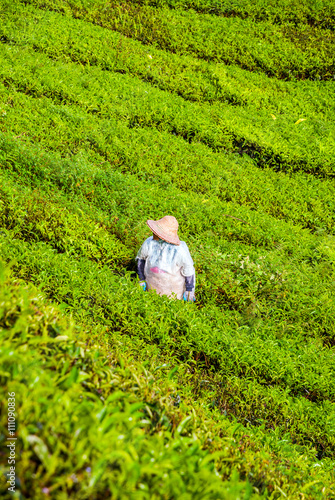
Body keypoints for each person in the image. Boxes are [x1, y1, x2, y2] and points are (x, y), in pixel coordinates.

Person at [136, 216, 196, 302]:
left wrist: (189, 290)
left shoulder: (179, 250)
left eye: (157, 231)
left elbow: (188, 270)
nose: (153, 232)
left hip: (173, 293)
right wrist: (141, 279)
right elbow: (141, 259)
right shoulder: (149, 243)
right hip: (151, 288)